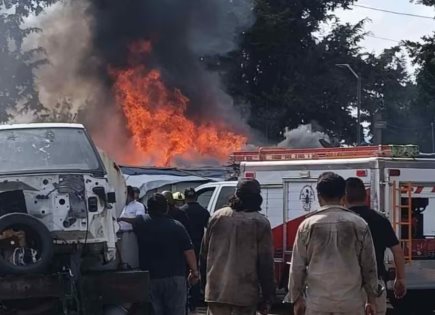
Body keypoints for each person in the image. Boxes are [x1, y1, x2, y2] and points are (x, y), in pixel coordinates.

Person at [289, 172, 379, 315]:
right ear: (344, 196)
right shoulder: (359, 224)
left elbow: (297, 268)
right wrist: (372, 299)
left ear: (318, 197)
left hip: (318, 304)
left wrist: (296, 299)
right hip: (351, 304)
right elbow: (369, 266)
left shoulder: (307, 225)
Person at [200, 178, 275, 315]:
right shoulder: (260, 222)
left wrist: (204, 285)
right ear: (257, 198)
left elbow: (203, 255)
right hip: (244, 296)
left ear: (236, 195)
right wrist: (268, 297)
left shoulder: (217, 217)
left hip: (216, 294)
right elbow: (265, 264)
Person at [118, 193, 199, 315]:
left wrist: (120, 218)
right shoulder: (177, 226)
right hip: (175, 278)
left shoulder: (142, 222)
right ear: (166, 208)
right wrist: (194, 271)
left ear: (148, 208)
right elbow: (188, 250)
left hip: (150, 278)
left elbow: (132, 220)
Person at [345, 177, 406, 314]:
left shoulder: (340, 221)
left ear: (344, 198)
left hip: (345, 286)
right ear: (366, 196)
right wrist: (400, 278)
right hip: (375, 284)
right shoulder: (379, 219)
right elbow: (397, 251)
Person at [181, 188, 210, 312]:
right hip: (199, 246)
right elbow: (208, 229)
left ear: (185, 197)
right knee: (196, 272)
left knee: (183, 273)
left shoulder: (181, 211)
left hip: (183, 247)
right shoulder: (204, 211)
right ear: (196, 197)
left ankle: (185, 300)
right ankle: (195, 301)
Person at [117, 185, 146, 269]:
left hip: (131, 235)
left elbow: (138, 220)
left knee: (131, 259)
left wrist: (122, 219)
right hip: (120, 235)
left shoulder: (138, 206)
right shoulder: (122, 206)